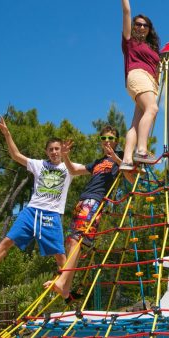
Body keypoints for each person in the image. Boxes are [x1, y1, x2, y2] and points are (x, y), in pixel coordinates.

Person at [0, 117, 75, 288]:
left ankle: (67, 290)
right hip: (32, 211)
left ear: (62, 150)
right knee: (7, 241)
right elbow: (15, 155)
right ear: (46, 152)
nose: (54, 152)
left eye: (57, 149)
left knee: (60, 255)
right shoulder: (39, 165)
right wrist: (7, 133)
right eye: (51, 149)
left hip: (52, 214)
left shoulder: (68, 168)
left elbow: (89, 170)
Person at [43, 125, 132, 300]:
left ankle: (62, 282)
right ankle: (66, 288)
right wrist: (66, 156)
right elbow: (74, 171)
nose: (107, 142)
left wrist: (116, 158)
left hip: (95, 201)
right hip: (83, 200)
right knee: (71, 242)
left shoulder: (120, 157)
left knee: (77, 240)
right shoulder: (98, 162)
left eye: (110, 139)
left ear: (116, 142)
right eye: (104, 139)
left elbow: (132, 175)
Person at [118, 0, 160, 170]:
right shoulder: (130, 41)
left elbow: (158, 70)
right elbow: (127, 12)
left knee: (136, 121)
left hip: (150, 82)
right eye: (138, 24)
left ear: (149, 29)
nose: (141, 27)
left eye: (145, 25)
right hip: (137, 76)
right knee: (152, 109)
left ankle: (127, 159)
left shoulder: (152, 49)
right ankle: (141, 150)